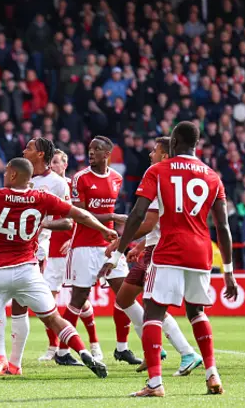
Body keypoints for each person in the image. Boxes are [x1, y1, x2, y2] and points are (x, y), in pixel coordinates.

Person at [102, 121, 238, 397]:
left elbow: (140, 215)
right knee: (196, 312)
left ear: (174, 142)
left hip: (169, 251)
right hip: (201, 253)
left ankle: (155, 384)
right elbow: (223, 227)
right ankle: (212, 374)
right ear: (196, 144)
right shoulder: (212, 176)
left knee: (153, 312)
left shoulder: (158, 170)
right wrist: (229, 271)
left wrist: (118, 253)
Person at [0, 158, 114, 380]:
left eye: (6, 171)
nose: (3, 175)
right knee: (53, 318)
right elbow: (80, 215)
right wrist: (103, 229)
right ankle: (85, 353)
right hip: (27, 269)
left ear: (11, 175)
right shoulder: (42, 198)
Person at [105, 137, 203, 376]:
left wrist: (122, 242)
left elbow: (148, 222)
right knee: (124, 299)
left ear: (165, 155)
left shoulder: (159, 174)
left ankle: (186, 353)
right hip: (152, 247)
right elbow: (156, 221)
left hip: (160, 251)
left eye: (155, 150)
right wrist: (139, 245)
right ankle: (155, 351)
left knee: (152, 307)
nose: (150, 154)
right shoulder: (167, 176)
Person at [0, 139, 86, 376]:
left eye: (29, 148)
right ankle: (1, 358)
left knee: (21, 308)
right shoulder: (17, 176)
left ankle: (14, 362)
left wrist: (42, 223)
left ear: (40, 154)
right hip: (3, 248)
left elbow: (68, 220)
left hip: (33, 252)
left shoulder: (57, 183)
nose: (24, 150)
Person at [59, 137, 141, 366]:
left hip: (108, 245)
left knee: (126, 293)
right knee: (79, 298)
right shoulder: (80, 178)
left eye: (97, 149)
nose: (91, 152)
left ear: (108, 154)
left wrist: (111, 230)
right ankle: (62, 352)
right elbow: (80, 214)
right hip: (84, 246)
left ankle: (122, 348)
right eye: (90, 148)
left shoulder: (117, 178)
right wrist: (113, 219)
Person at [37, 150, 101, 363]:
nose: (53, 165)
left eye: (56, 162)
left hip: (72, 248)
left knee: (79, 300)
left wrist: (72, 239)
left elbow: (81, 217)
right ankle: (53, 347)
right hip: (52, 250)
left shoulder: (71, 187)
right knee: (47, 299)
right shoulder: (43, 185)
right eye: (51, 161)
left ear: (64, 165)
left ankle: (94, 343)